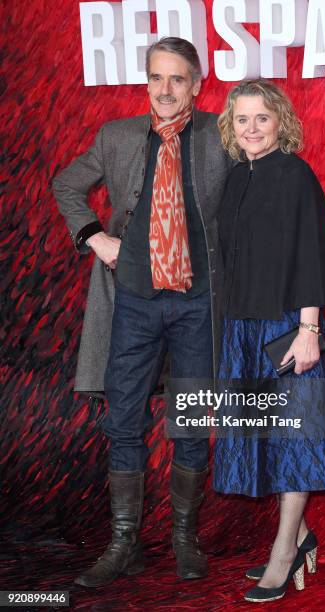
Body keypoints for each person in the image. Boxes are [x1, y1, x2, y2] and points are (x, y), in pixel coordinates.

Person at [52, 37, 231, 587]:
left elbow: (261, 189)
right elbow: (67, 184)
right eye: (157, 78)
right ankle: (123, 543)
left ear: (197, 85)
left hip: (199, 302)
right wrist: (94, 238)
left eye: (178, 79)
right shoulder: (118, 135)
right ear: (146, 82)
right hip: (133, 300)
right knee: (123, 418)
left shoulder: (222, 136)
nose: (166, 90)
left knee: (192, 420)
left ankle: (184, 539)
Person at [213, 79, 325, 603]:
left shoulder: (297, 176)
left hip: (288, 328)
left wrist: (308, 331)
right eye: (242, 119)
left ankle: (283, 553)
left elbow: (311, 255)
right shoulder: (236, 178)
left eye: (262, 117)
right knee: (267, 439)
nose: (252, 128)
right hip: (243, 327)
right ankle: (300, 540)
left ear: (280, 121)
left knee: (297, 442)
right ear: (230, 127)